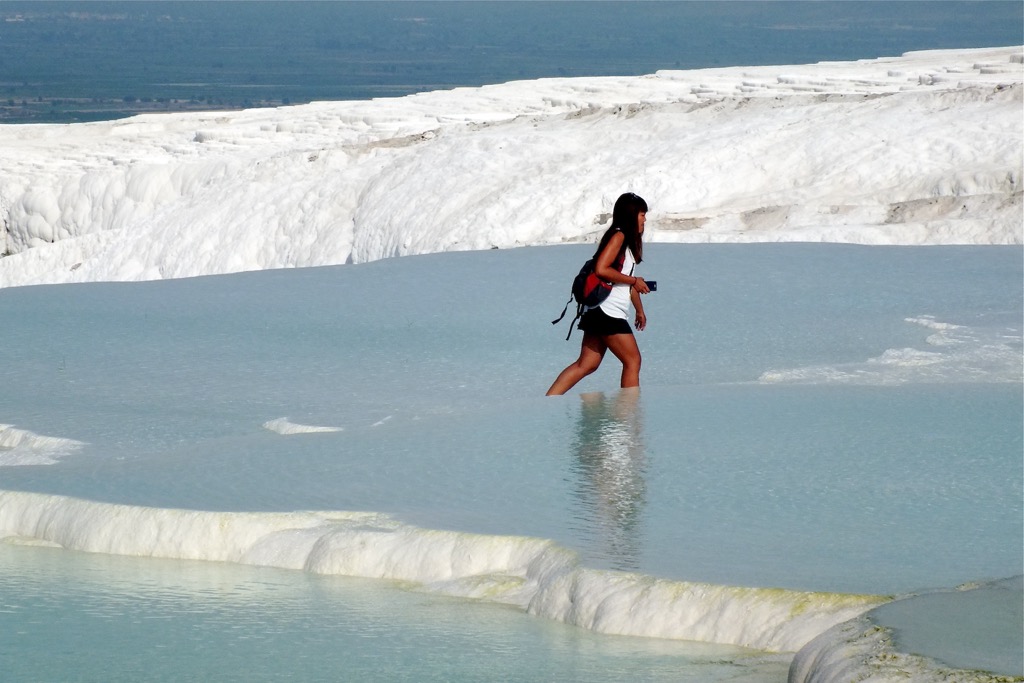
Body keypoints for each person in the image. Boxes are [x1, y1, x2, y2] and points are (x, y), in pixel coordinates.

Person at [546, 192, 651, 395]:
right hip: (607, 311)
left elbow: (627, 282)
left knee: (587, 363)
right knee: (632, 360)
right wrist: (633, 281)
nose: (644, 219)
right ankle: (628, 413)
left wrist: (639, 309)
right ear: (630, 215)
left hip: (600, 311)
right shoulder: (619, 236)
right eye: (641, 214)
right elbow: (602, 269)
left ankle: (548, 402)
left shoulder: (627, 243)